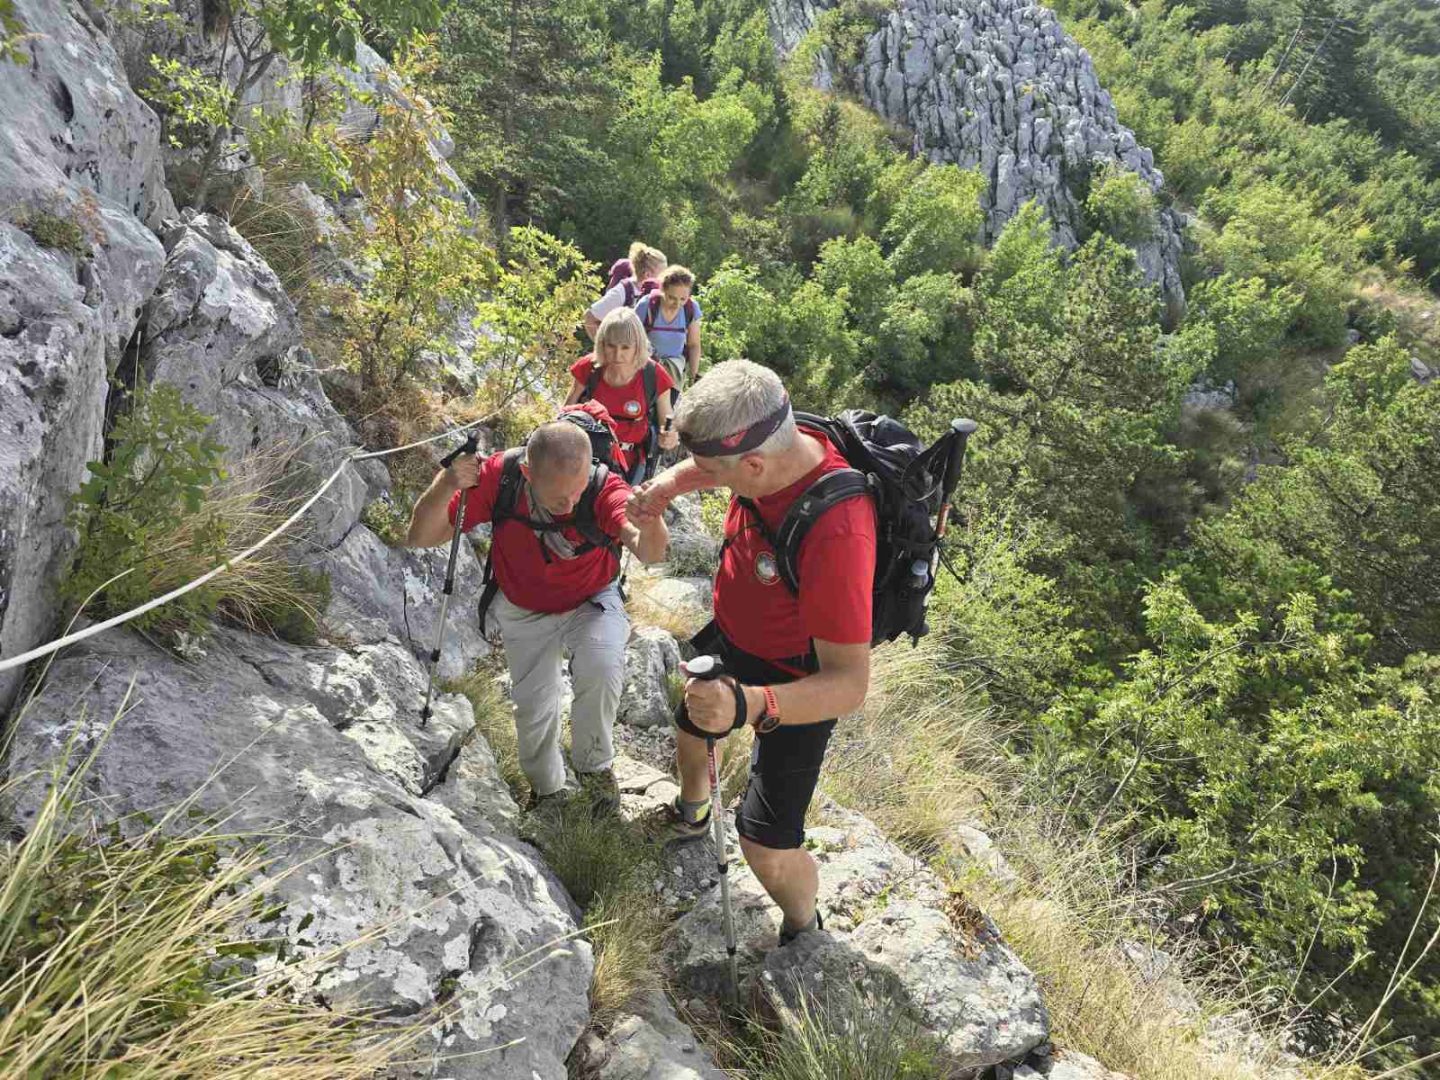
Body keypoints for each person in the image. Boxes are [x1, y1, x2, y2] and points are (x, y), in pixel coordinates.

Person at [625, 360, 875, 946]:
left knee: (766, 845)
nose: (705, 478)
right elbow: (710, 464)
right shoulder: (778, 440)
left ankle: (804, 931)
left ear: (753, 465)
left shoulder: (839, 532)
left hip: (797, 680)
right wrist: (665, 487)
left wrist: (747, 704)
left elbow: (849, 684)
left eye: (716, 473)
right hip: (736, 635)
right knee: (691, 726)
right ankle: (693, 813)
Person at [407, 420, 669, 817]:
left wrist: (651, 520)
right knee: (534, 706)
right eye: (560, 497)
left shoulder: (603, 488)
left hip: (591, 600)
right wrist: (447, 483)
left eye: (578, 490)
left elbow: (650, 553)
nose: (571, 503)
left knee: (601, 664)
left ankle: (594, 769)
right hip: (524, 607)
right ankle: (547, 793)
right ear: (528, 473)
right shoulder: (501, 478)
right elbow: (421, 536)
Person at [565, 308, 679, 484]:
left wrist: (669, 438)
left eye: (625, 347)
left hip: (629, 466)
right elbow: (565, 414)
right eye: (611, 346)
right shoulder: (589, 367)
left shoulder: (654, 375)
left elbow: (668, 426)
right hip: (586, 456)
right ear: (602, 343)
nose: (617, 355)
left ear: (638, 346)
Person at [639, 265, 703, 400]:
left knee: (668, 410)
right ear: (663, 290)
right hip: (645, 369)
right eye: (672, 298)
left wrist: (694, 378)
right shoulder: (647, 305)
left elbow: (694, 345)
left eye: (683, 299)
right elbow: (632, 338)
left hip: (673, 372)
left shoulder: (691, 309)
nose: (677, 304)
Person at [585, 244, 667, 339]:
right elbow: (589, 317)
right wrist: (602, 346)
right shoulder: (622, 292)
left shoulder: (659, 293)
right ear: (647, 275)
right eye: (663, 274)